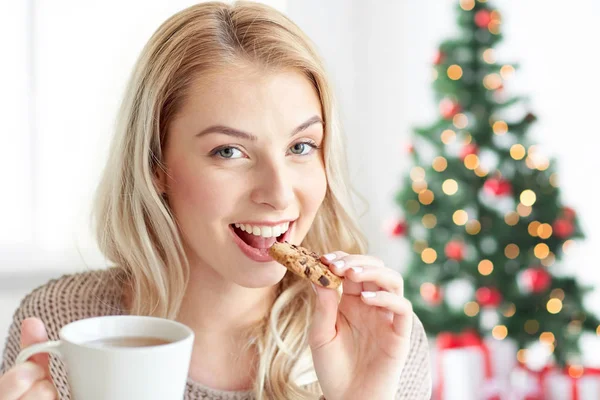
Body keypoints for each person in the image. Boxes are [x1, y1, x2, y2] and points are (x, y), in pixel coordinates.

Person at [0, 1, 431, 399]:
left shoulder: (380, 336)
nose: (279, 193)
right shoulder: (62, 330)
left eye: (300, 146)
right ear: (156, 164)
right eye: (229, 151)